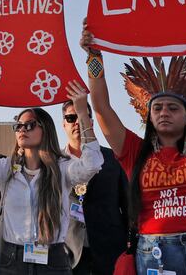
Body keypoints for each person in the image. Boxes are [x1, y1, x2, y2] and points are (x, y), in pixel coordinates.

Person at [79, 11, 186, 275]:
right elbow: (101, 108)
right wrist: (94, 55)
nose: (163, 112)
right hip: (155, 255)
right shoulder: (133, 152)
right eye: (157, 108)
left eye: (173, 108)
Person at [0, 85, 104, 274]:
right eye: (18, 125)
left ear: (46, 129)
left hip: (53, 260)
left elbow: (92, 164)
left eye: (30, 125)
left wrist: (83, 114)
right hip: (11, 260)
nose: (22, 129)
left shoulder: (62, 168)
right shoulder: (5, 168)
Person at [60, 100, 128, 275]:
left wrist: (132, 242)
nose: (76, 122)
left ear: (90, 122)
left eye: (82, 117)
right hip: (68, 253)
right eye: (70, 118)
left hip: (110, 250)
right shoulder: (53, 162)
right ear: (64, 124)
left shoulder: (113, 157)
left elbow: (128, 205)